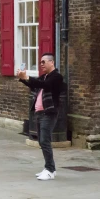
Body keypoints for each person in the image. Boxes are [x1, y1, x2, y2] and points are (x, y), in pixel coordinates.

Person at [17, 53, 64, 181]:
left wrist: (27, 77)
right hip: (39, 113)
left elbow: (46, 85)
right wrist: (23, 79)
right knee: (41, 141)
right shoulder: (44, 77)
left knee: (45, 141)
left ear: (52, 62)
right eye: (40, 62)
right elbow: (35, 85)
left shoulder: (56, 77)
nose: (41, 64)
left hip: (49, 113)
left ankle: (50, 170)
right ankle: (49, 168)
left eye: (44, 62)